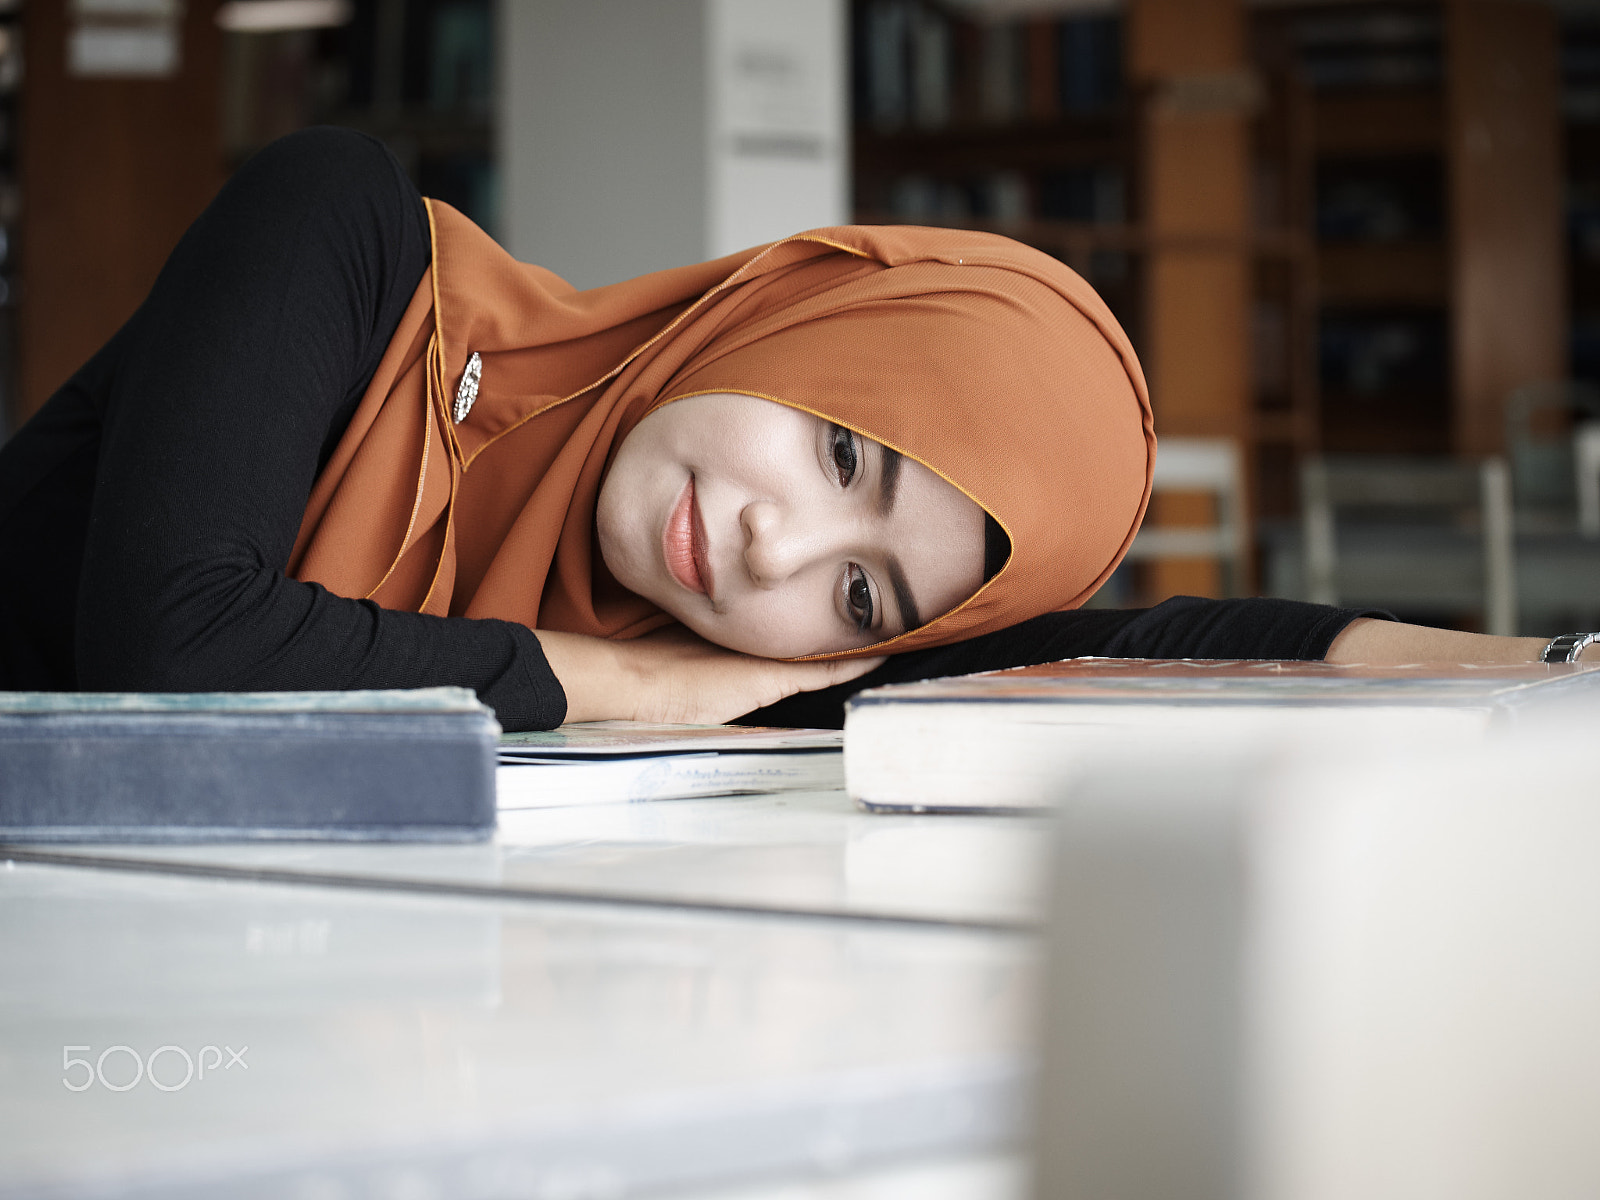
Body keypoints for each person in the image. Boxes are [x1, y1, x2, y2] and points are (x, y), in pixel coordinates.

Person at [0, 129, 1584, 731]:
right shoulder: (340, 236)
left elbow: (1142, 646)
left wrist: (1554, 673)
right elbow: (178, 644)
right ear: (797, 318)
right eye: (845, 454)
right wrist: (624, 680)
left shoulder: (742, 660)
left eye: (862, 600)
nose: (776, 548)